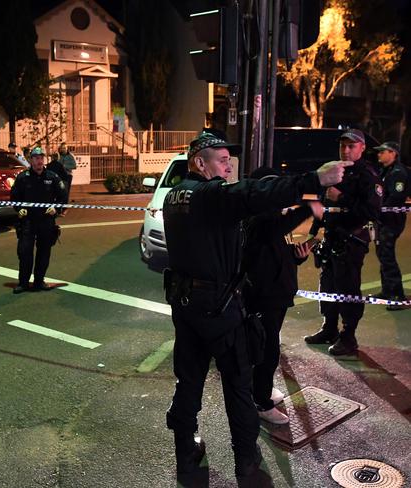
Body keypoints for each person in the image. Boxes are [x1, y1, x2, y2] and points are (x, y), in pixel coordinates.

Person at [161, 133, 350, 483]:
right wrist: (315, 181)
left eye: (228, 160)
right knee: (237, 384)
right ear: (199, 163)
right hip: (219, 308)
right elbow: (252, 194)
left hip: (186, 306)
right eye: (220, 160)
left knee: (188, 382)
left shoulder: (175, 196)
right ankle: (246, 461)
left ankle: (186, 451)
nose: (227, 166)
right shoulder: (209, 195)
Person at [243, 167, 323, 425]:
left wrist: (296, 257)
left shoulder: (273, 218)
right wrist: (310, 206)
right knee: (265, 351)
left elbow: (275, 253)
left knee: (268, 348)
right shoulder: (257, 219)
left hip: (277, 295)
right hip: (262, 296)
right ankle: (260, 403)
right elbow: (271, 232)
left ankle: (261, 391)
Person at [304, 128, 382, 355]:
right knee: (327, 287)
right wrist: (314, 232)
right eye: (343, 146)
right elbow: (323, 205)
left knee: (348, 289)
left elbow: (372, 211)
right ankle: (329, 328)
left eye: (351, 146)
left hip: (351, 240)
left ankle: (349, 337)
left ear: (362, 148)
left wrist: (342, 197)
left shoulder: (367, 175)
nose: (346, 150)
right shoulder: (334, 170)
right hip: (330, 238)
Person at [10, 146, 67, 294]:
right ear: (31, 160)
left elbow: (63, 197)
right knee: (25, 253)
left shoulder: (52, 177)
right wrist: (19, 209)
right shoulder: (23, 178)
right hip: (28, 221)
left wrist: (56, 208)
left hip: (46, 221)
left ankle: (39, 281)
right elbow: (14, 198)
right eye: (36, 158)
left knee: (44, 252)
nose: (39, 161)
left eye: (41, 158)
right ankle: (23, 283)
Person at [372, 141, 408, 310]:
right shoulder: (386, 171)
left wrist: (379, 209)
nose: (379, 154)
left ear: (393, 153)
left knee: (387, 255)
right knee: (382, 253)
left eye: (382, 151)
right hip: (383, 219)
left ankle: (399, 296)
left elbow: (396, 197)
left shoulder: (398, 172)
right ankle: (387, 290)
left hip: (392, 220)